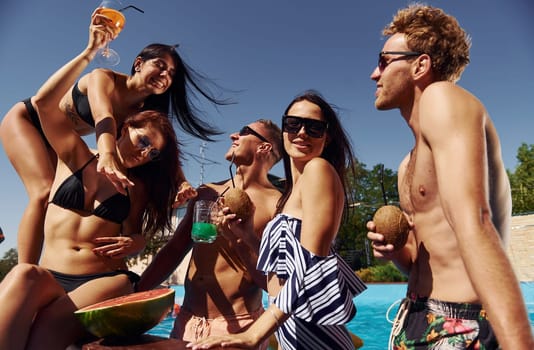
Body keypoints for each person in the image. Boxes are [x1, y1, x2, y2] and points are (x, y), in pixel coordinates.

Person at [0, 13, 181, 350]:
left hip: (101, 279)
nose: (146, 154)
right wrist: (88, 52)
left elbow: (136, 236)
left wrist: (136, 243)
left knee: (44, 335)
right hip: (50, 274)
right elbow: (43, 104)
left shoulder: (136, 188)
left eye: (154, 154)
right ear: (127, 127)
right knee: (23, 275)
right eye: (144, 142)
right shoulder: (74, 155)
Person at [0, 9, 227, 264]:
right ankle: (25, 271)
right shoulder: (104, 78)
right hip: (30, 121)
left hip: (59, 140)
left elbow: (163, 148)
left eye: (171, 74)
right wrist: (106, 155)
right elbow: (103, 115)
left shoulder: (143, 113)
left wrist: (181, 182)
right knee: (42, 192)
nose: (165, 76)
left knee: (61, 199)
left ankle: (56, 269)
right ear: (139, 63)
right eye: (160, 66)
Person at [367, 4, 534, 350]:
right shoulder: (406, 165)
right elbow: (420, 260)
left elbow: (475, 221)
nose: (374, 74)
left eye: (384, 61)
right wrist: (396, 250)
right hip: (416, 317)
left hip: (462, 324)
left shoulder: (441, 98)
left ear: (420, 65)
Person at [189, 91, 367, 349]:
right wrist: (246, 236)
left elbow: (310, 267)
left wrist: (252, 334)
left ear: (326, 138)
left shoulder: (319, 170)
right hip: (291, 328)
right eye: (293, 124)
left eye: (314, 127)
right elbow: (285, 269)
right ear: (284, 129)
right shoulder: (293, 191)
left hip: (312, 332)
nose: (302, 132)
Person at [137, 118, 283, 349]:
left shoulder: (277, 205)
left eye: (244, 132)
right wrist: (137, 291)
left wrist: (239, 238)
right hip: (186, 321)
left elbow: (274, 283)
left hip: (238, 327)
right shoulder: (206, 193)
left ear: (264, 147)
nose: (233, 135)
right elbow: (174, 249)